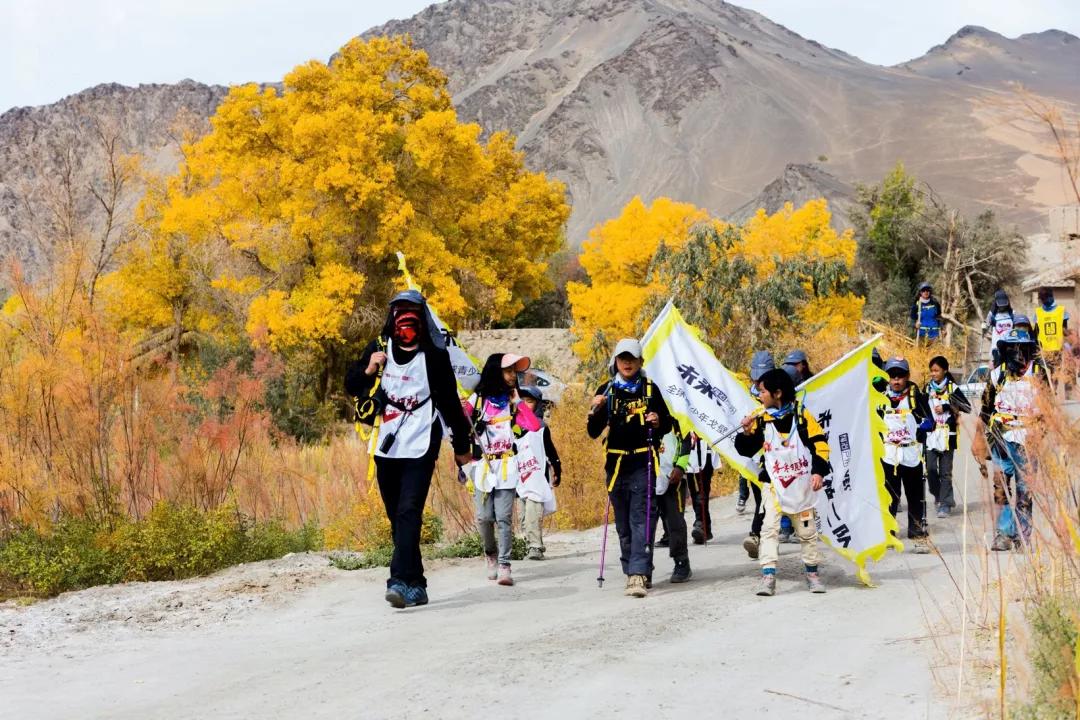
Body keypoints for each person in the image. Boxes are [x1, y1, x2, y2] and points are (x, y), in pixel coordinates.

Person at [344, 290, 474, 609]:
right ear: (392, 317)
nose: (406, 319)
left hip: (421, 439)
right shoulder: (378, 347)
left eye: (412, 312)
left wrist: (461, 446)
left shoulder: (434, 355)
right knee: (396, 516)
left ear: (422, 317)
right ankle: (417, 582)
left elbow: (450, 405)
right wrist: (368, 369)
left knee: (408, 511)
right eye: (400, 311)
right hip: (387, 441)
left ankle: (398, 581)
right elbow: (351, 385)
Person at [587, 338, 673, 598]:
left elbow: (668, 423)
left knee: (641, 520)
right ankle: (635, 570)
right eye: (622, 358)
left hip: (643, 462)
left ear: (640, 362)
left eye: (632, 358)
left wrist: (658, 420)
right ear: (615, 361)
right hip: (615, 466)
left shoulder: (650, 389)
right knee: (623, 526)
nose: (627, 362)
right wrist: (597, 410)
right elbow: (593, 432)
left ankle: (637, 574)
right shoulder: (606, 390)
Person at [735, 369, 830, 596]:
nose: (760, 396)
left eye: (763, 391)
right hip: (773, 485)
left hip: (802, 484)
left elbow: (820, 446)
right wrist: (747, 433)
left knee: (807, 532)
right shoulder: (760, 419)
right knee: (769, 528)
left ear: (777, 393)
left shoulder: (801, 416)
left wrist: (818, 472)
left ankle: (812, 574)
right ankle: (768, 576)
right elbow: (745, 450)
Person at [467, 353, 541, 587]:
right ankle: (490, 553)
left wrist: (519, 402)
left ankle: (505, 564)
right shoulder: (478, 398)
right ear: (495, 371)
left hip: (508, 466)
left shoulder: (512, 400)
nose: (512, 376)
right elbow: (459, 422)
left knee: (504, 518)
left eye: (514, 372)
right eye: (508, 371)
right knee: (484, 517)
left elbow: (533, 425)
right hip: (482, 466)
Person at [980, 327, 1049, 551]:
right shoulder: (996, 375)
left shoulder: (1038, 374)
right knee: (1001, 488)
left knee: (1024, 491)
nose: (1015, 353)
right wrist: (981, 441)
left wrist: (1039, 434)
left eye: (1021, 348)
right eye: (1010, 349)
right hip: (1001, 440)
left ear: (1029, 350)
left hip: (1028, 441)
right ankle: (1003, 533)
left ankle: (1022, 536)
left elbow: (1049, 411)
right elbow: (985, 410)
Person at [881, 357, 933, 553]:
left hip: (911, 453)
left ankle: (918, 534)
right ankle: (888, 533)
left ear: (907, 376)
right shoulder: (880, 397)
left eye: (900, 376)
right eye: (892, 376)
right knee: (889, 497)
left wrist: (925, 425)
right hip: (888, 455)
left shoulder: (916, 397)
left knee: (916, 496)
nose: (896, 380)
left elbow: (930, 421)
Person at [514, 385, 562, 561]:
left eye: (530, 401)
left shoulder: (540, 426)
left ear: (538, 404)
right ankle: (531, 544)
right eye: (523, 402)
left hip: (537, 476)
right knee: (523, 514)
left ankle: (535, 547)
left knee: (533, 511)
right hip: (520, 477)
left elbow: (551, 451)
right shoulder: (512, 426)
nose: (526, 405)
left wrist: (557, 470)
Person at [923, 356, 972, 518]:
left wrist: (947, 406)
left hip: (947, 435)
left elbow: (967, 407)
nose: (933, 373)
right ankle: (940, 496)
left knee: (945, 472)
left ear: (945, 370)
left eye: (936, 370)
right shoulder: (926, 388)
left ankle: (944, 503)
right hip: (931, 435)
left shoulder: (952, 388)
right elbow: (920, 408)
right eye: (932, 370)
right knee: (930, 469)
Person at [740, 350, 773, 559]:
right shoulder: (746, 394)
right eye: (756, 375)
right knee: (760, 495)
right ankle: (758, 535)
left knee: (767, 496)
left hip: (776, 454)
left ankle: (759, 534)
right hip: (754, 453)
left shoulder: (779, 392)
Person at [655, 420, 693, 583]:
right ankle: (643, 567)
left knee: (674, 521)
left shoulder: (675, 414)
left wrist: (680, 467)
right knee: (645, 524)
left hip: (673, 478)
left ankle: (681, 563)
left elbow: (686, 441)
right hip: (648, 476)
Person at [1035, 287, 1070, 388]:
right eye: (1042, 299)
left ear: (1051, 297)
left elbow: (1065, 329)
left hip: (1057, 348)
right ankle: (1047, 392)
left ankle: (1054, 392)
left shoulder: (1061, 310)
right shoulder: (1038, 312)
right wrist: (1037, 345)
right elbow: (1036, 331)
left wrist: (1067, 343)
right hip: (1043, 349)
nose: (1044, 301)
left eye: (1045, 299)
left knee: (1055, 374)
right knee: (1043, 373)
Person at [686, 433, 716, 544]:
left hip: (705, 447)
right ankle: (704, 526)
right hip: (688, 448)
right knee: (693, 490)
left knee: (703, 490)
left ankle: (700, 523)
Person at [983, 289, 1014, 367]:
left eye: (1004, 304)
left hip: (1010, 348)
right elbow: (986, 324)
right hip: (996, 350)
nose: (1002, 306)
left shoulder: (1012, 314)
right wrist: (991, 312)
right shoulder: (993, 315)